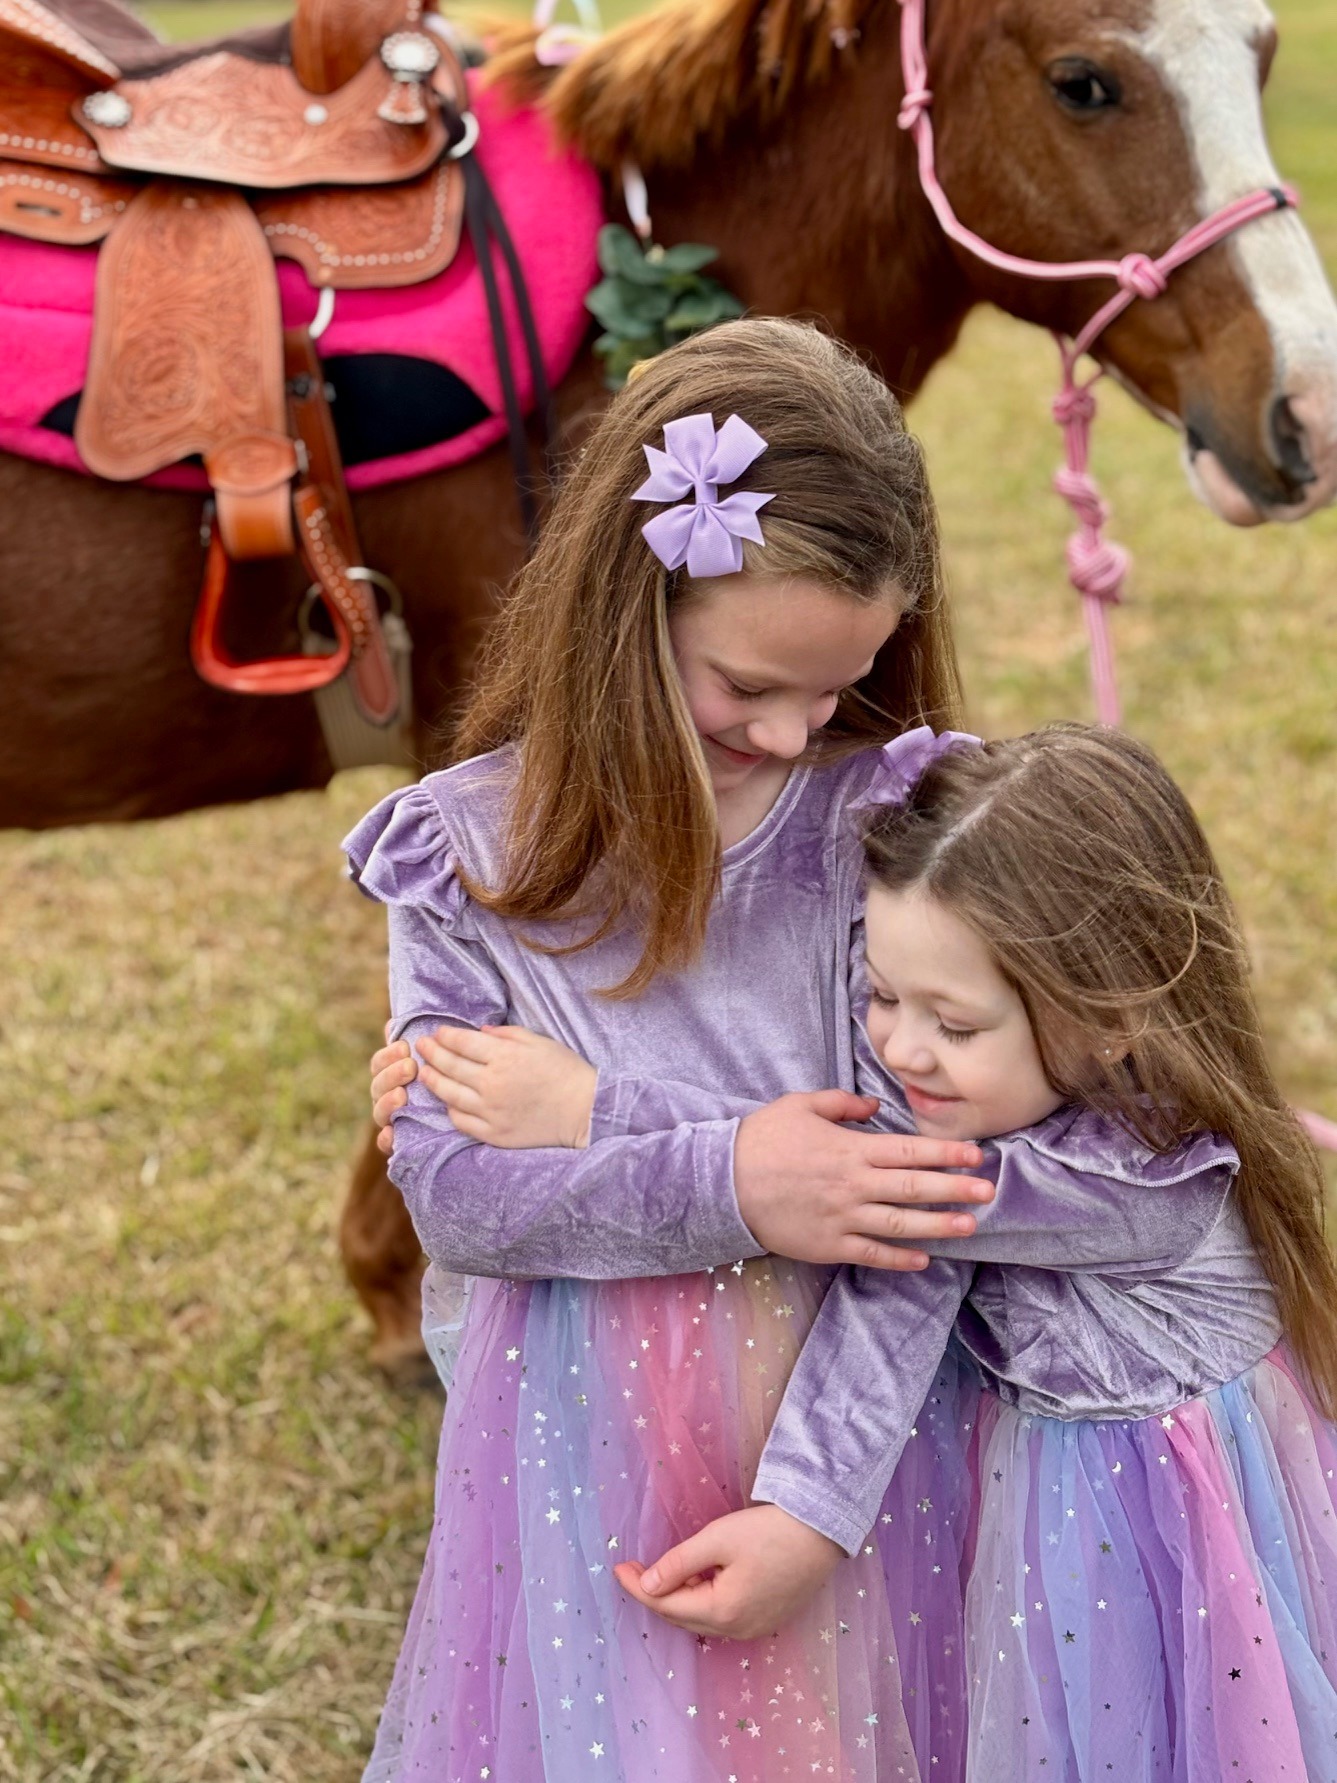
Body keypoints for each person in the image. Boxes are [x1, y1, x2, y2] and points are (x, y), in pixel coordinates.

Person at [397, 723, 1337, 1781]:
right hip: (1056, 1501)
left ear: (1111, 1017)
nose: (897, 1047)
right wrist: (804, 1506)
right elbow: (893, 1255)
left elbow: (853, 1175)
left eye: (953, 1021)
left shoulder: (1130, 1182)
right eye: (882, 996)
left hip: (1152, 1535)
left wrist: (591, 1105)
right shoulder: (986, 1120)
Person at [344, 316, 997, 1783]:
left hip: (847, 1424)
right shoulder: (466, 853)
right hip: (589, 1422)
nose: (790, 729)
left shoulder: (879, 826)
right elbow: (453, 1197)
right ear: (626, 609)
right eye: (745, 685)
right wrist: (738, 1176)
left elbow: (928, 1181)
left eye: (835, 689)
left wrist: (605, 1114)